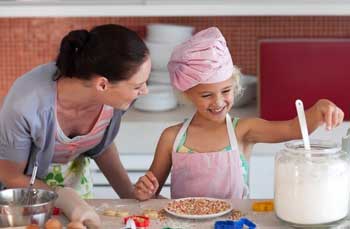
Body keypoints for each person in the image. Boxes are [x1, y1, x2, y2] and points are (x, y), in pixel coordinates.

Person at [133, 27, 344, 200]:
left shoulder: (244, 130)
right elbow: (151, 191)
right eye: (206, 95)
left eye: (226, 91)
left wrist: (320, 108)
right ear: (187, 95)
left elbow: (293, 129)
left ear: (235, 85)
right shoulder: (172, 138)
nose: (218, 102)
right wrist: (144, 191)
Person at [0, 24, 151, 199]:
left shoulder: (113, 100)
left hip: (76, 187)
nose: (145, 91)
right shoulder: (25, 106)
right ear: (102, 84)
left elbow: (101, 144)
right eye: (138, 86)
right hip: (25, 196)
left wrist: (130, 194)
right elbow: (11, 176)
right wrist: (63, 198)